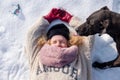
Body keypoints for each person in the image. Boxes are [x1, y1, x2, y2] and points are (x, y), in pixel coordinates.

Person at [25, 8, 93, 80]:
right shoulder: (38, 55)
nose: (58, 44)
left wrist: (71, 19)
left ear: (68, 44)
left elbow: (89, 35)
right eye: (54, 42)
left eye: (62, 42)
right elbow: (31, 36)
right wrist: (46, 19)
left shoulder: (79, 56)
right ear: (49, 43)